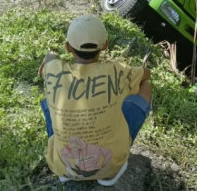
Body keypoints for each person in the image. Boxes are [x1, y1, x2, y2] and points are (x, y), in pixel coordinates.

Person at [38, 15, 152, 186]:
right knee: (146, 85)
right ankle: (107, 176)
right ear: (105, 45)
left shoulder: (54, 70)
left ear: (68, 47)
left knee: (50, 102)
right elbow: (146, 75)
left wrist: (50, 57)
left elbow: (45, 66)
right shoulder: (117, 70)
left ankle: (68, 173)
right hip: (111, 166)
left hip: (62, 165)